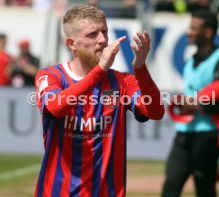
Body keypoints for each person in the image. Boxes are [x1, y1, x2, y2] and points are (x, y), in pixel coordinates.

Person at [34, 5, 164, 197]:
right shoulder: (51, 76)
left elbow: (155, 112)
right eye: (93, 34)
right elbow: (54, 107)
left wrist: (141, 68)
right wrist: (99, 71)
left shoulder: (122, 81)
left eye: (105, 32)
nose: (103, 40)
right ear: (72, 44)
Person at [161, 10, 219, 197]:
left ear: (208, 33)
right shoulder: (191, 61)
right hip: (183, 135)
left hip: (207, 137)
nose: (188, 32)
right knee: (170, 186)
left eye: (193, 28)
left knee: (205, 189)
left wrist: (200, 106)